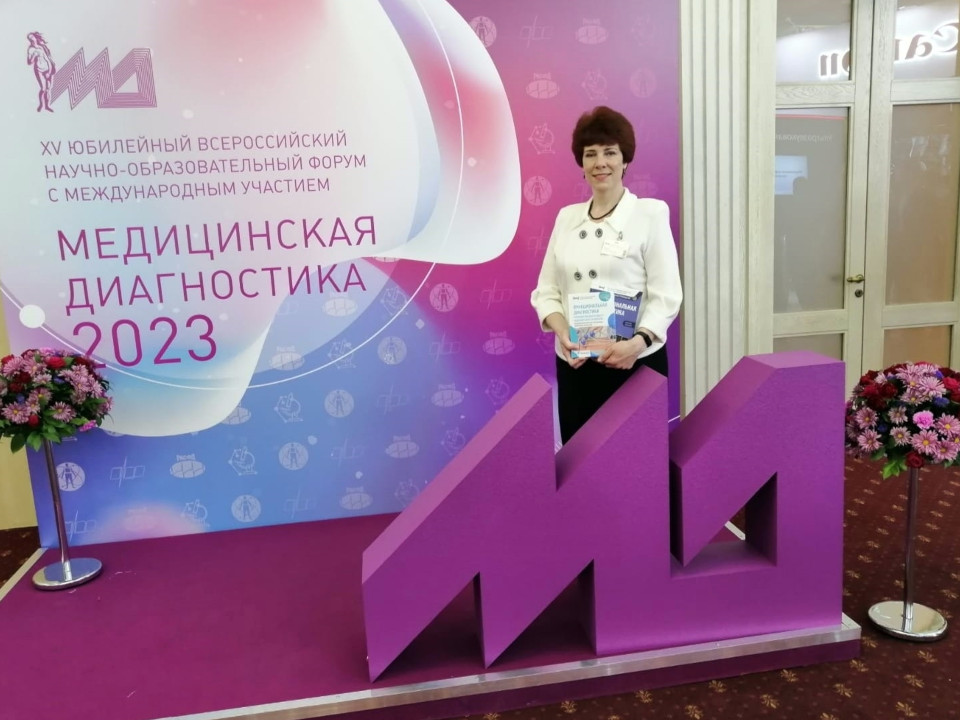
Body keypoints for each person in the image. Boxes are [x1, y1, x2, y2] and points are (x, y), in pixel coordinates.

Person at [531, 106, 682, 443]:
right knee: (580, 460)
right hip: (577, 365)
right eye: (591, 154)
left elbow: (667, 296)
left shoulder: (649, 214)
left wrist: (636, 344)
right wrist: (564, 335)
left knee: (637, 460)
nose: (601, 162)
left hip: (635, 363)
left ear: (625, 159)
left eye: (610, 152)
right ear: (581, 163)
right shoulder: (566, 218)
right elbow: (547, 292)